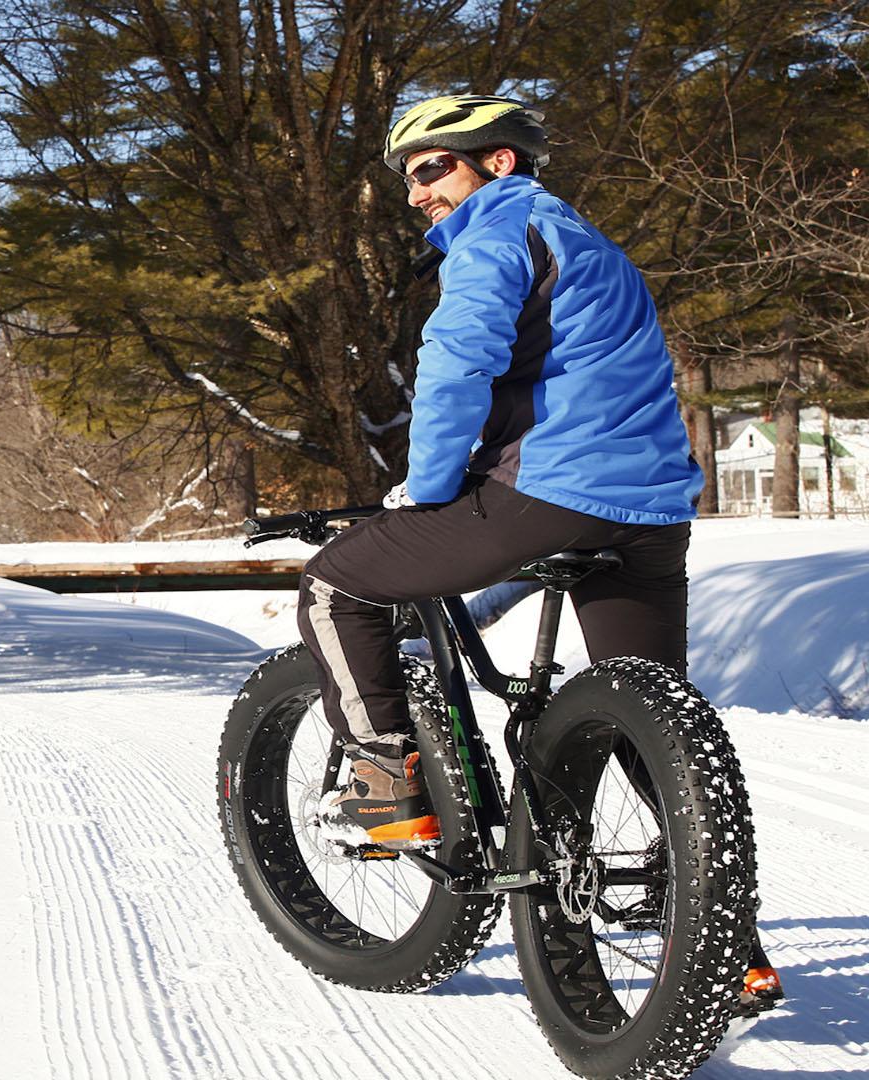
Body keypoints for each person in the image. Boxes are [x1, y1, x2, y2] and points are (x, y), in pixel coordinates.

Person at [295, 93, 781, 1012]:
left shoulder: (496, 234)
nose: (416, 192)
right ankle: (732, 944)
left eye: (432, 167)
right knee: (655, 720)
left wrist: (430, 488)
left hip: (550, 495)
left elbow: (456, 363)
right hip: (650, 511)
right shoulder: (588, 243)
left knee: (335, 584)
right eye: (408, 176)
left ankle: (386, 784)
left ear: (498, 164)